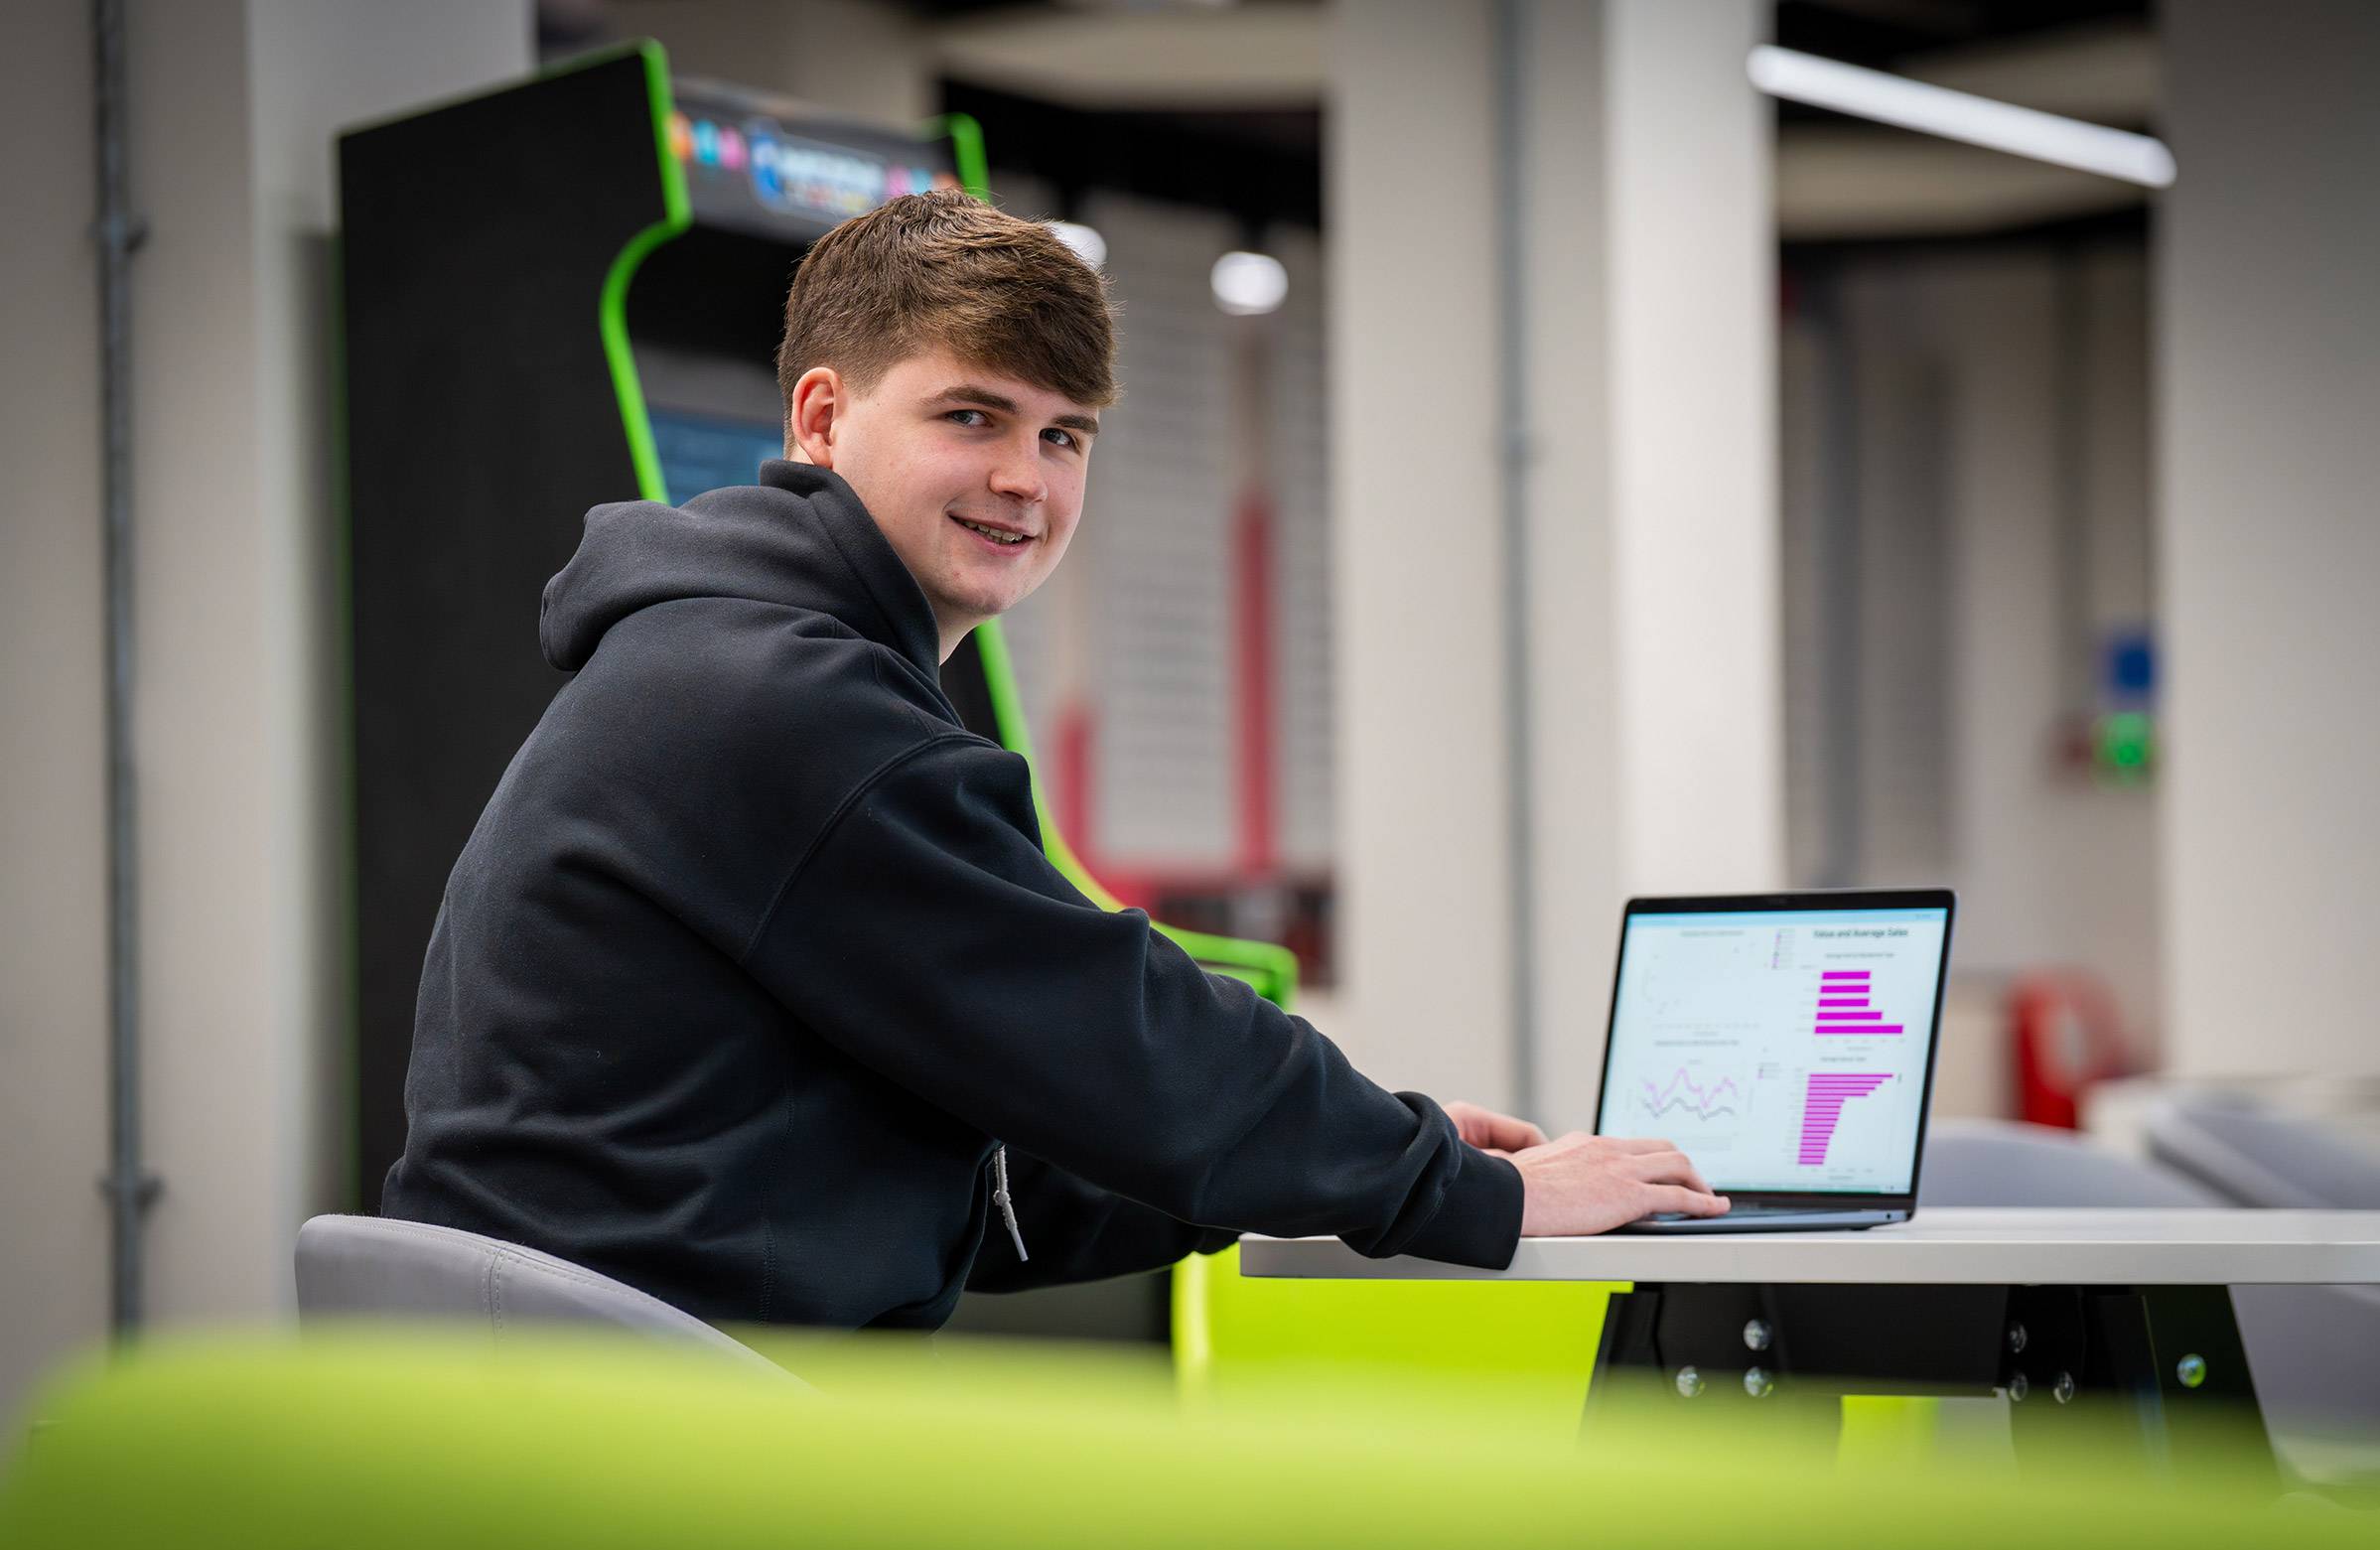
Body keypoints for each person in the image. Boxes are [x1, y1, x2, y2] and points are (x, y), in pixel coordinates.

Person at [380, 189, 1726, 1331]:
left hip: (577, 1375)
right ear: (818, 417)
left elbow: (992, 1137)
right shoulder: (785, 700)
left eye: (1061, 435)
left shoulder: (732, 657)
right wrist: (1465, 1191)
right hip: (659, 1425)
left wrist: (1375, 1145)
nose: (1025, 477)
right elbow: (1112, 1029)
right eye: (971, 417)